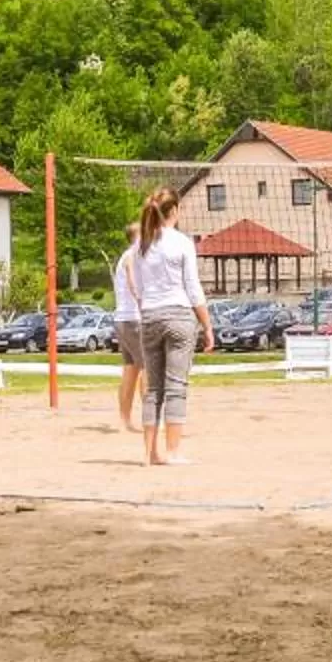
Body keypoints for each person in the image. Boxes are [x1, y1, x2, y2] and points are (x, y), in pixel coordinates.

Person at [123, 187, 212, 466]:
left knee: (153, 389)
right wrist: (207, 325)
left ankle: (149, 454)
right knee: (176, 386)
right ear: (174, 210)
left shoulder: (141, 244)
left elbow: (137, 288)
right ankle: (172, 452)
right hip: (178, 316)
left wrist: (148, 309)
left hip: (149, 316)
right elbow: (193, 288)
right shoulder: (182, 242)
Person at [110, 227, 144, 430]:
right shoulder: (132, 256)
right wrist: (141, 301)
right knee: (148, 369)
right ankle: (152, 419)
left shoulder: (126, 255)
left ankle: (124, 420)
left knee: (130, 371)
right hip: (133, 320)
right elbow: (132, 282)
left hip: (122, 319)